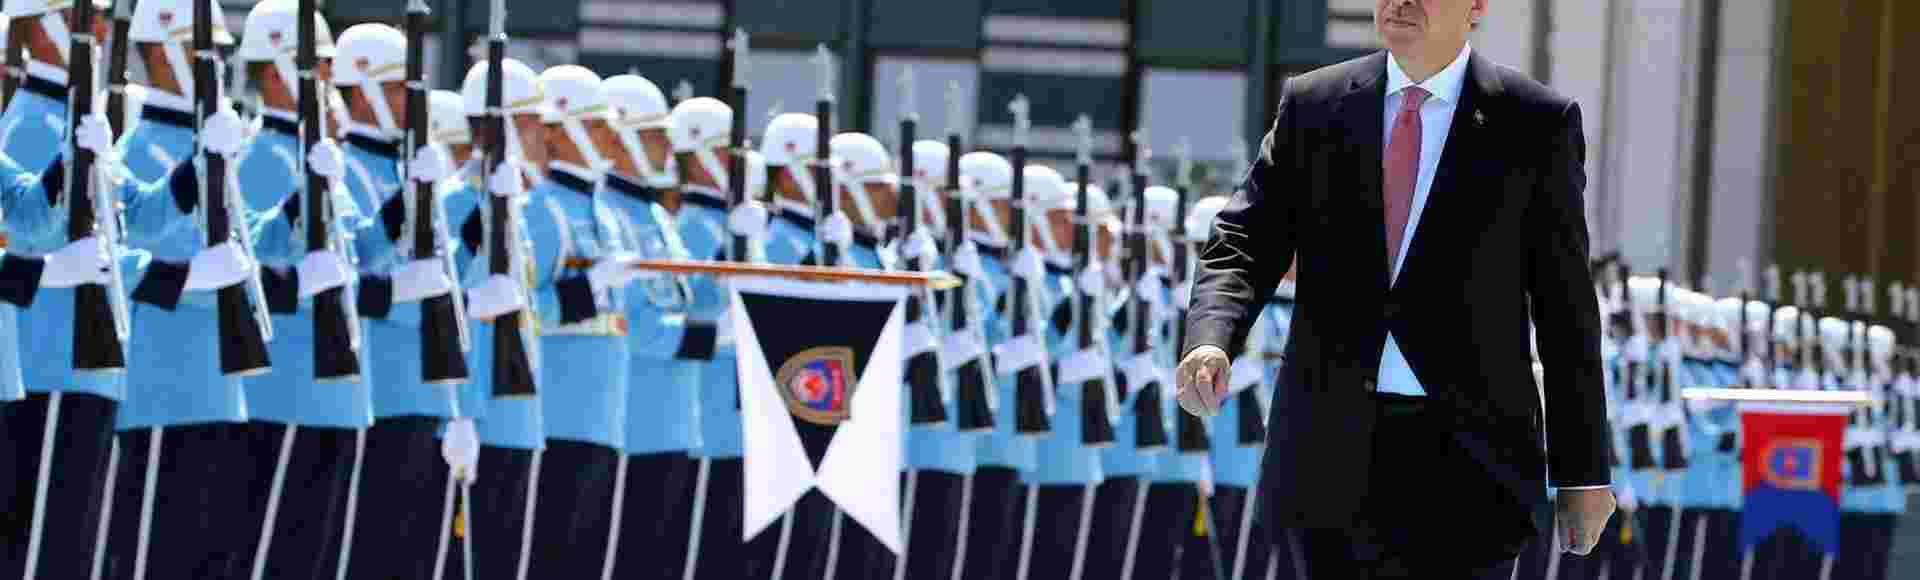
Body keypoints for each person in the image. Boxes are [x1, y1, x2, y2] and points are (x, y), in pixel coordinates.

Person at [1174, 0, 1615, 575]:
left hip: (1469, 466)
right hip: (1330, 454)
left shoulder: (1533, 123)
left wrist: (1582, 470)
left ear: (1476, 6)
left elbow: (1566, 309)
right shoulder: (1316, 104)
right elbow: (1245, 239)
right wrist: (1211, 338)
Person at [225, 3, 370, 578]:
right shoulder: (258, 155)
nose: (332, 81)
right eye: (323, 67)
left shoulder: (323, 157)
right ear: (285, 70)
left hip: (331, 385)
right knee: (269, 548)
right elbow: (248, 259)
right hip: (284, 384)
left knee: (316, 553)